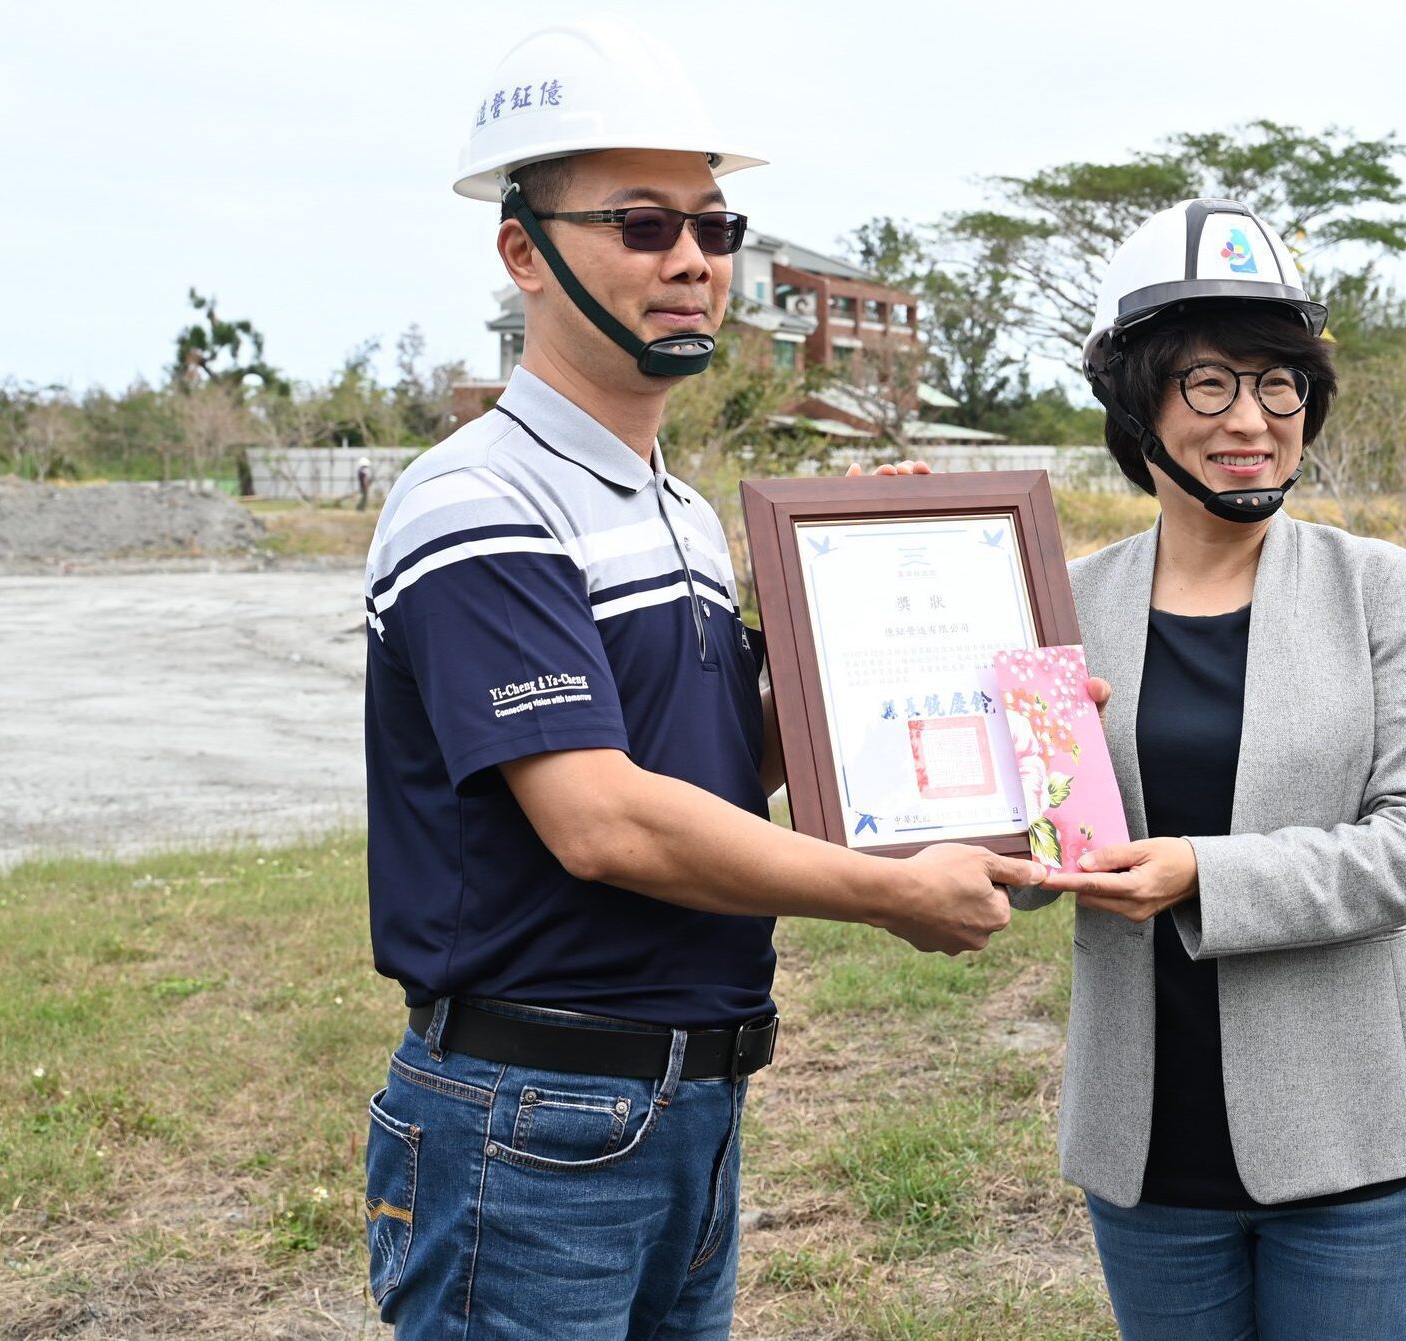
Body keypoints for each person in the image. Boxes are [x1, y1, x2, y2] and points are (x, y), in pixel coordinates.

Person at [361, 23, 1038, 1340]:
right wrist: (889, 894)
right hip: (531, 1114)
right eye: (639, 222)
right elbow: (602, 817)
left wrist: (889, 615)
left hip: (690, 1109)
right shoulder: (478, 499)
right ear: (523, 252)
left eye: (713, 229)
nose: (689, 260)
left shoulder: (674, 508)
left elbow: (727, 767)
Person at [1017, 198, 1406, 1341]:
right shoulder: (1063, 603)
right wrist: (893, 554)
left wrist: (1200, 875)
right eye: (1210, 384)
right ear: (1139, 405)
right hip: (1147, 1150)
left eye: (1282, 385)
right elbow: (1018, 844)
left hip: (1355, 1137)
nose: (1255, 419)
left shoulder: (1379, 590)